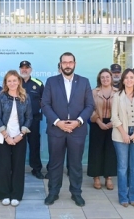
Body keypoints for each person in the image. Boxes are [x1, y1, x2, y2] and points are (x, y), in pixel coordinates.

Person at [42, 52, 94, 207]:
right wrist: (58, 122)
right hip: (56, 130)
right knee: (55, 164)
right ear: (60, 64)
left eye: (70, 62)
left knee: (75, 164)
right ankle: (53, 192)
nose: (67, 65)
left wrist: (78, 122)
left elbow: (90, 105)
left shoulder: (84, 82)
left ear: (75, 64)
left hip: (77, 131)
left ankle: (76, 193)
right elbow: (45, 104)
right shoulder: (51, 82)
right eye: (64, 62)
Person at [0, 70, 32, 207]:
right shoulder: (1, 97)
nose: (12, 83)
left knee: (18, 167)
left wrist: (20, 135)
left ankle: (16, 195)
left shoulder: (25, 97)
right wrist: (6, 136)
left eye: (14, 80)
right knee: (4, 167)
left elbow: (29, 118)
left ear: (19, 82)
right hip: (4, 137)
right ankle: (4, 194)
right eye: (9, 81)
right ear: (5, 83)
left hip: (20, 138)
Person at [111, 68, 134, 207]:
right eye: (126, 78)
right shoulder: (117, 96)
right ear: (123, 80)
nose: (129, 80)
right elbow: (114, 117)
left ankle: (133, 196)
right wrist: (124, 133)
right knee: (122, 167)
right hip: (121, 134)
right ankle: (123, 197)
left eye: (131, 77)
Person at [87, 68, 117, 190]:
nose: (105, 79)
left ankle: (108, 177)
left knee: (110, 150)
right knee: (96, 151)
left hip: (113, 124)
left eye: (107, 77)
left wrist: (111, 123)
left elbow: (121, 109)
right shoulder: (93, 92)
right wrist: (99, 122)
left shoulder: (118, 92)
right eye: (103, 77)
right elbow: (90, 108)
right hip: (97, 123)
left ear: (111, 78)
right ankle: (96, 177)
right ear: (99, 79)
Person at [19, 60, 45, 179]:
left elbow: (44, 102)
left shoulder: (38, 84)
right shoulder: (15, 83)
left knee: (34, 144)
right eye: (22, 68)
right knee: (17, 145)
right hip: (18, 120)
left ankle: (36, 169)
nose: (24, 70)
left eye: (27, 68)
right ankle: (16, 169)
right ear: (20, 69)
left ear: (31, 69)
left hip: (34, 120)